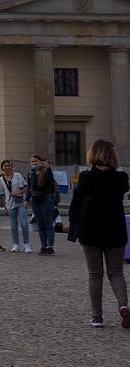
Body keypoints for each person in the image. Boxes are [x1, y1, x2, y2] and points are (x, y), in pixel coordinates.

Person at [67, 139, 129, 328]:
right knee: (116, 272)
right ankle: (124, 306)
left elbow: (75, 202)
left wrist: (72, 223)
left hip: (90, 230)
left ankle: (97, 317)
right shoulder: (121, 178)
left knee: (95, 274)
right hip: (115, 230)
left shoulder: (86, 177)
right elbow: (123, 190)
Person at [0, 160, 30, 252]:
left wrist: (19, 192)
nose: (7, 167)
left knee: (24, 223)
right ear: (2, 168)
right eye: (5, 166)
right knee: (13, 225)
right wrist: (4, 206)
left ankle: (26, 243)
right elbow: (1, 194)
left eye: (9, 165)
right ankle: (15, 244)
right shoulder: (1, 180)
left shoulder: (18, 175)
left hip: (20, 202)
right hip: (10, 204)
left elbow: (26, 187)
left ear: (11, 167)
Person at [28, 156, 58, 254]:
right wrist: (27, 199)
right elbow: (30, 187)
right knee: (40, 224)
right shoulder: (31, 173)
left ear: (41, 162)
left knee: (48, 223)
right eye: (32, 161)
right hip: (35, 199)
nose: (33, 163)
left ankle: (50, 246)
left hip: (46, 197)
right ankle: (43, 246)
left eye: (35, 161)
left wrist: (48, 168)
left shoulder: (46, 171)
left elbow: (51, 184)